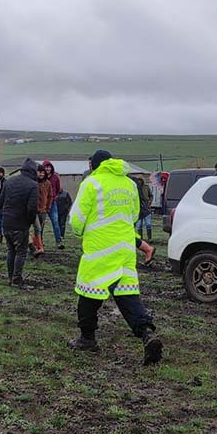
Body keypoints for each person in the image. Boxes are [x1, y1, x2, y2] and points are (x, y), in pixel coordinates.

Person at [68, 150, 162, 365]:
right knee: (128, 296)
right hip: (125, 249)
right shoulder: (129, 184)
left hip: (100, 250)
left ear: (94, 165)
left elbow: (77, 219)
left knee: (88, 294)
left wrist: (80, 232)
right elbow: (134, 215)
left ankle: (87, 338)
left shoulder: (91, 183)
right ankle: (147, 333)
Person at [1, 158, 39, 286]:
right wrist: (29, 222)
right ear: (33, 172)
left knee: (11, 250)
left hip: (6, 222)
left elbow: (1, 202)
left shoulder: (9, 182)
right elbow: (32, 208)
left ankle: (10, 278)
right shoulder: (33, 185)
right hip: (20, 223)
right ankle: (17, 279)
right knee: (21, 252)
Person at [32, 164, 55, 258]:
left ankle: (37, 244)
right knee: (37, 228)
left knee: (40, 228)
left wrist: (48, 207)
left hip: (43, 210)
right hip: (34, 210)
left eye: (42, 172)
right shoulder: (33, 183)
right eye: (39, 172)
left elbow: (50, 196)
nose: (41, 174)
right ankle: (39, 247)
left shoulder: (48, 183)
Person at [41, 160, 65, 249]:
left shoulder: (55, 177)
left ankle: (58, 241)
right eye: (46, 167)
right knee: (41, 223)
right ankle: (40, 242)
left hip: (52, 203)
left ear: (51, 168)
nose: (47, 168)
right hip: (42, 203)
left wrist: (54, 197)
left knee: (55, 221)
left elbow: (58, 189)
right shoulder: (41, 177)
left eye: (49, 167)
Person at [134, 174, 153, 241]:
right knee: (139, 225)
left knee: (148, 224)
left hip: (146, 208)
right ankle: (140, 239)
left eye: (140, 180)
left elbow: (151, 196)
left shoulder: (146, 187)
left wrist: (149, 203)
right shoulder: (135, 188)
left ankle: (149, 238)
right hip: (138, 209)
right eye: (138, 180)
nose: (139, 181)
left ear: (142, 181)